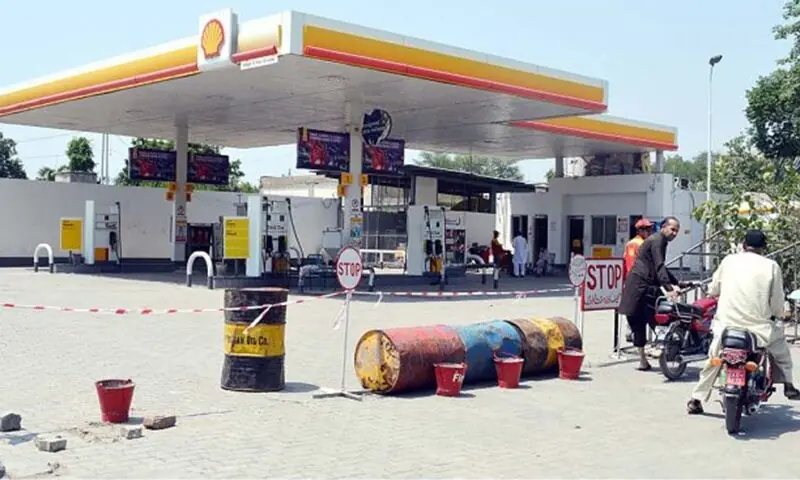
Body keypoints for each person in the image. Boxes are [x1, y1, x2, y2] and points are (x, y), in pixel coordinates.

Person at [687, 230, 800, 414]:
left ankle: (696, 398)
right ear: (764, 247)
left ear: (743, 244)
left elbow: (714, 288)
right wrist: (780, 313)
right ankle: (788, 384)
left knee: (713, 359)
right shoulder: (771, 266)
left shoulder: (729, 261)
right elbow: (777, 301)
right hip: (758, 328)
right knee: (781, 352)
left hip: (726, 326)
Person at [618, 216, 682, 371]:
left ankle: (643, 360)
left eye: (677, 231)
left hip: (636, 285)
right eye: (672, 229)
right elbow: (659, 266)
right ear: (663, 227)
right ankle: (659, 351)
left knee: (639, 322)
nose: (674, 233)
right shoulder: (657, 240)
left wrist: (676, 283)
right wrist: (669, 288)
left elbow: (660, 267)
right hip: (643, 285)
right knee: (658, 318)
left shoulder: (652, 240)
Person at [623, 218, 654, 342]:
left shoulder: (630, 243)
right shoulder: (642, 244)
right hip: (640, 280)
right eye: (648, 229)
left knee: (631, 308)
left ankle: (630, 332)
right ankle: (639, 336)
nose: (650, 231)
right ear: (641, 230)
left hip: (629, 280)